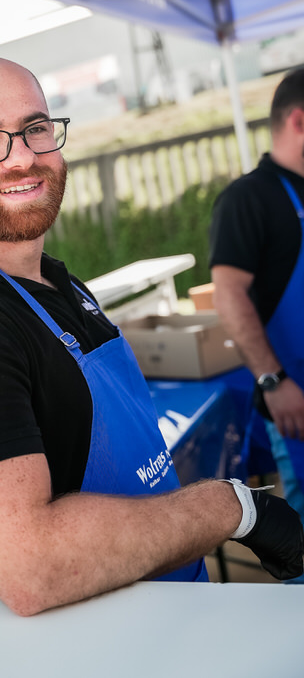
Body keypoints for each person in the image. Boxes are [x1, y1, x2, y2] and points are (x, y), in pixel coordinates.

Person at [0, 56, 303, 615]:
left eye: (36, 128)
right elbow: (31, 566)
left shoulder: (56, 282)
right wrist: (233, 508)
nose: (22, 156)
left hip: (170, 612)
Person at [209, 67, 304, 579]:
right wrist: (273, 380)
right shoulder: (250, 199)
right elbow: (228, 294)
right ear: (300, 121)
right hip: (296, 398)